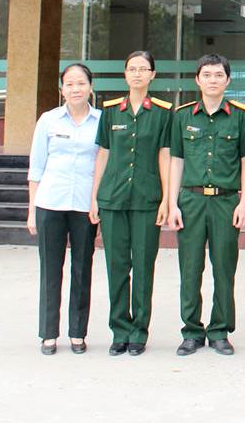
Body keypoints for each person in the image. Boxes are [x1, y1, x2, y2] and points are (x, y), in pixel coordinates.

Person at [166, 53, 245, 356]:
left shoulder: (242, 116)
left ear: (227, 80)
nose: (213, 80)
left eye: (219, 75)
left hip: (226, 201)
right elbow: (176, 160)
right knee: (190, 268)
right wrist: (172, 202)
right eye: (207, 75)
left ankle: (219, 331)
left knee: (224, 268)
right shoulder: (183, 116)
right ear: (197, 79)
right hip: (190, 200)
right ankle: (191, 330)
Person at [89, 51, 173, 356]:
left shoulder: (164, 113)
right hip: (113, 198)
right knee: (116, 265)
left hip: (147, 199)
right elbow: (103, 154)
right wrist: (94, 197)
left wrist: (166, 197)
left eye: (143, 69)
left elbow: (165, 155)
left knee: (143, 267)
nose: (137, 74)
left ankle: (139, 331)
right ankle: (119, 329)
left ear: (153, 75)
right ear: (125, 74)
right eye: (132, 69)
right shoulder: (111, 111)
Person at [27, 62, 99, 356]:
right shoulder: (48, 120)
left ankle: (78, 332)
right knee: (50, 269)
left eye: (81, 83)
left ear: (90, 87)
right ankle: (48, 334)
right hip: (50, 203)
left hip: (84, 205)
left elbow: (103, 166)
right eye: (69, 84)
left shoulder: (101, 121)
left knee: (82, 269)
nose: (75, 89)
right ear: (62, 89)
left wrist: (98, 203)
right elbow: (36, 167)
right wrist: (32, 209)